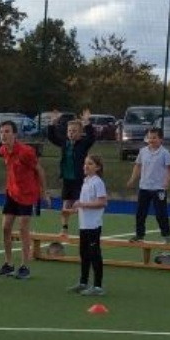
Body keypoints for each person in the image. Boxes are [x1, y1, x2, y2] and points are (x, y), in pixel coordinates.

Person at [0, 118, 49, 279]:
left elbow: (39, 170)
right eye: (1, 132)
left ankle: (25, 266)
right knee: (5, 228)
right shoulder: (3, 151)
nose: (4, 135)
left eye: (7, 132)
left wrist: (43, 192)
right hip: (11, 193)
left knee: (22, 229)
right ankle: (9, 264)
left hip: (27, 195)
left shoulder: (26, 152)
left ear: (14, 134)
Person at [64, 152, 108, 295]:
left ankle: (98, 286)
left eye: (90, 164)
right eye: (85, 163)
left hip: (93, 226)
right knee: (84, 254)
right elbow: (85, 205)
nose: (86, 166)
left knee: (94, 254)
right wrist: (73, 210)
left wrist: (82, 204)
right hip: (84, 225)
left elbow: (102, 202)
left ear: (98, 167)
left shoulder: (98, 182)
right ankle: (83, 282)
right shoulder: (86, 181)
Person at [127, 126, 170, 242]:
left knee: (160, 213)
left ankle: (166, 234)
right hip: (144, 187)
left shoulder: (164, 153)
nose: (151, 140)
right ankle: (139, 235)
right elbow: (138, 166)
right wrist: (132, 179)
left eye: (154, 138)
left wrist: (167, 181)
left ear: (161, 139)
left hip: (159, 188)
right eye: (149, 138)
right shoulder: (143, 151)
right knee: (140, 213)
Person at [57, 117, 94, 231]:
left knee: (78, 204)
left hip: (79, 179)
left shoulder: (83, 144)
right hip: (67, 179)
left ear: (80, 133)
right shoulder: (65, 143)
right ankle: (64, 228)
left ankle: (85, 227)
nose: (71, 133)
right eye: (69, 131)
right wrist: (52, 124)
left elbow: (91, 138)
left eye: (74, 131)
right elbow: (52, 137)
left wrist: (87, 125)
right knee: (66, 204)